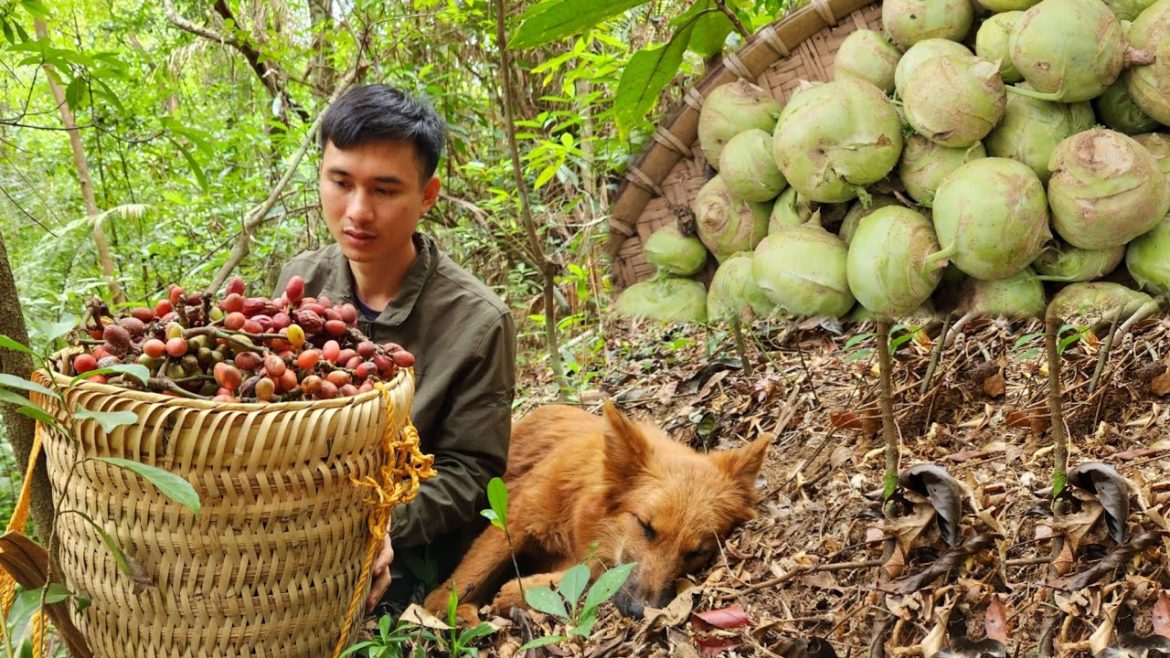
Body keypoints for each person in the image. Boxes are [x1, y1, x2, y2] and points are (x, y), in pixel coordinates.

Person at [272, 84, 516, 615]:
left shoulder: (477, 321)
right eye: (340, 182)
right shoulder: (300, 281)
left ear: (427, 195)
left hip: (408, 549)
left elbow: (471, 470)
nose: (357, 212)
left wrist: (379, 526)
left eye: (385, 190)